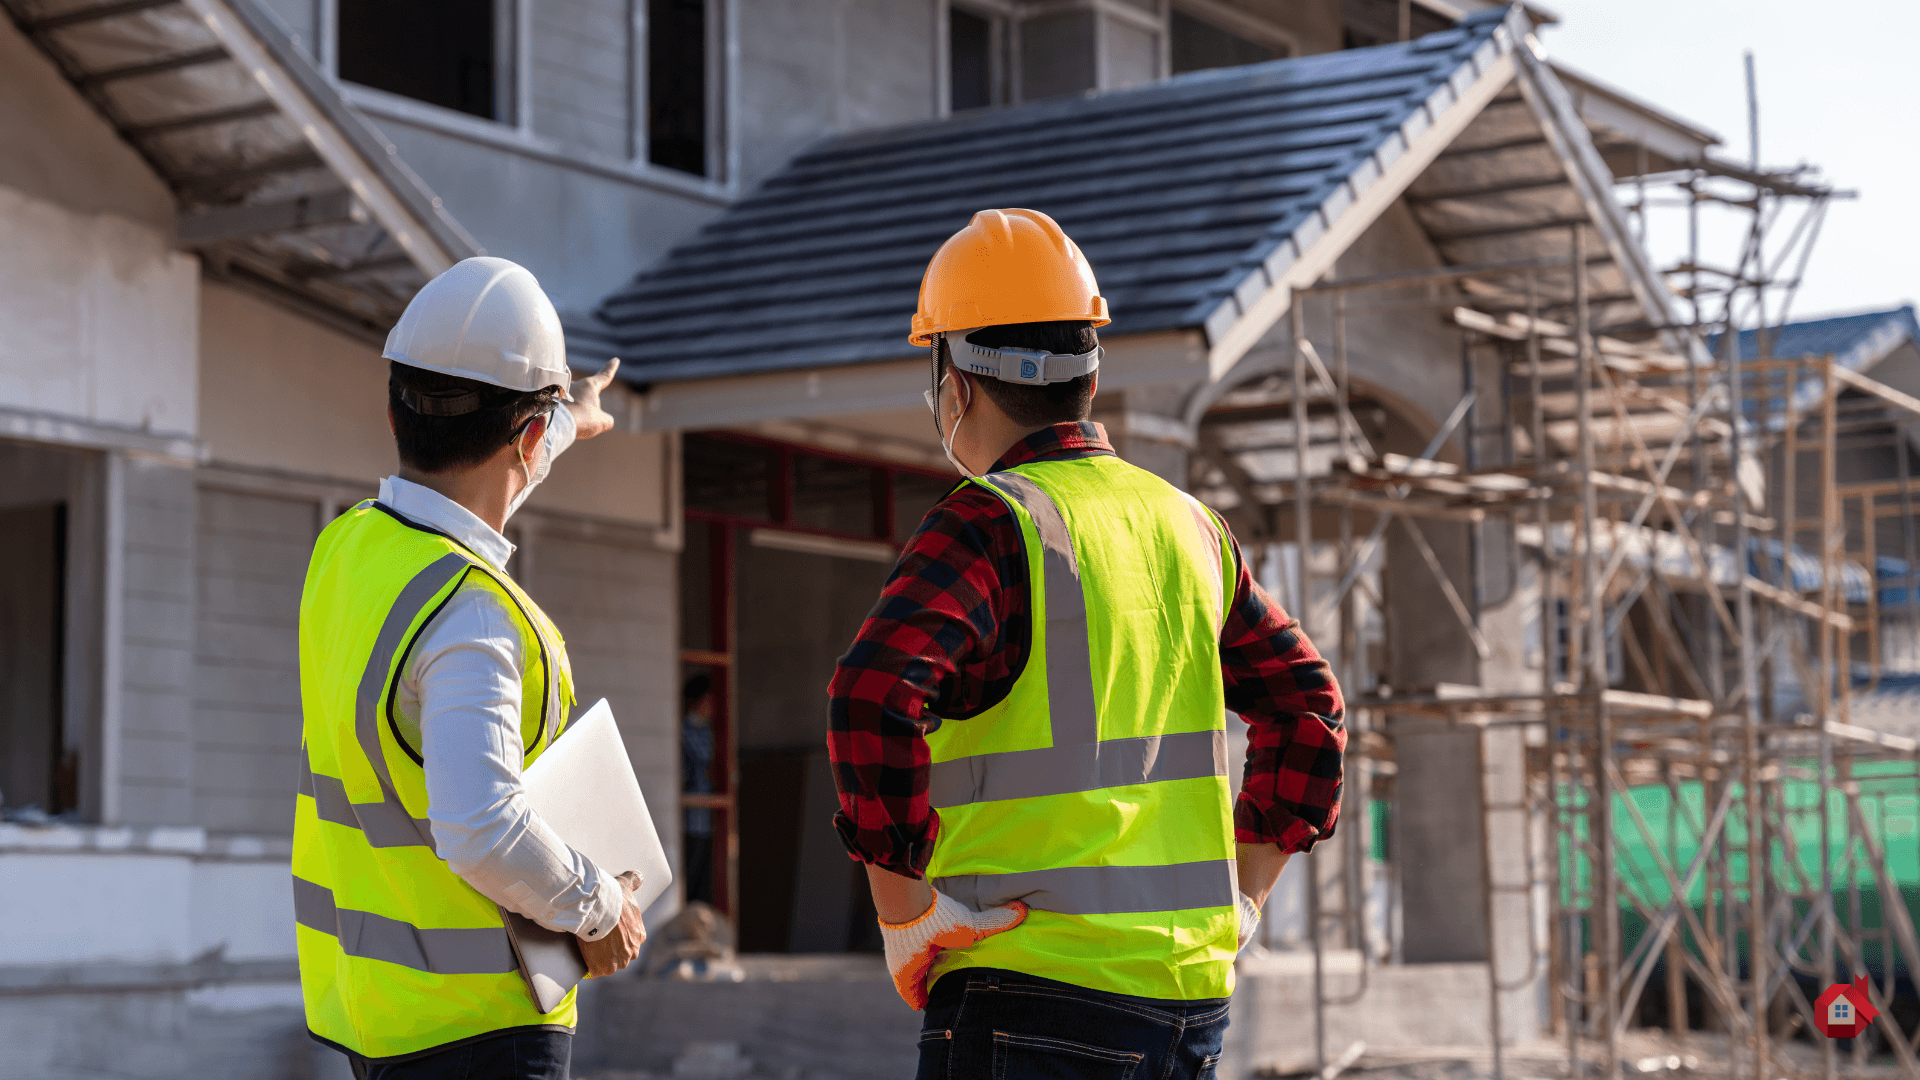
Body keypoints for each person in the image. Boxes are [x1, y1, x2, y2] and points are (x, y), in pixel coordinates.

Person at [826, 209, 1347, 1077]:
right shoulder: (1190, 527)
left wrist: (904, 912)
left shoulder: (992, 523)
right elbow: (1309, 706)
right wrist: (1246, 891)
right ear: (1089, 378)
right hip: (1189, 1005)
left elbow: (871, 694)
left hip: (1028, 992)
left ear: (956, 382)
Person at [294, 256, 646, 1080]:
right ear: (525, 436)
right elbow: (481, 825)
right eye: (542, 428)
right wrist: (601, 909)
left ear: (394, 410)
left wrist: (570, 418)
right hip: (481, 1033)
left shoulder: (346, 550)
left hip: (377, 1019)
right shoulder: (471, 613)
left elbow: (484, 473)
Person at [680, 672, 717, 905]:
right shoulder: (686, 730)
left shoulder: (709, 730)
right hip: (691, 818)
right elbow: (704, 759)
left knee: (705, 883)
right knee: (690, 881)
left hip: (707, 817)